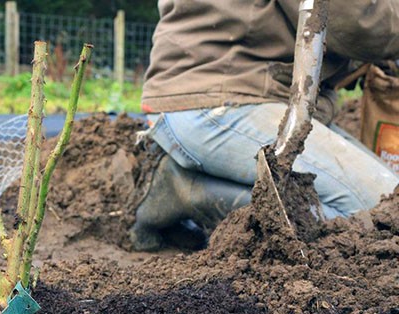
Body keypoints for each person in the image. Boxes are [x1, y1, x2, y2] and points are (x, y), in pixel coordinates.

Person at [129, 0, 399, 251]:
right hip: (225, 99)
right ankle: (188, 191)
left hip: (225, 90)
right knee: (385, 220)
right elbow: (356, 21)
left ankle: (193, 184)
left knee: (389, 201)